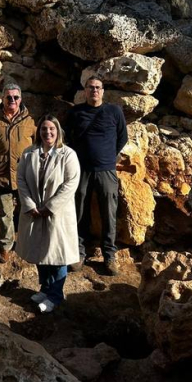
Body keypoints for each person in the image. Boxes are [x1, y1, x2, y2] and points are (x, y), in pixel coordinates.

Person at [15, 114, 81, 314]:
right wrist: (29, 204)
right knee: (40, 251)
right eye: (44, 129)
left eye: (51, 128)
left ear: (58, 131)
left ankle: (55, 295)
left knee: (58, 255)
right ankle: (45, 288)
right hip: (34, 212)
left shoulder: (68, 154)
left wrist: (50, 207)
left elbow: (71, 183)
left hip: (57, 214)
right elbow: (21, 179)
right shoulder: (29, 153)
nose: (47, 132)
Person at [66, 76, 128, 276]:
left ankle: (109, 255)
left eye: (98, 87)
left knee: (109, 212)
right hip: (81, 170)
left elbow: (122, 137)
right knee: (79, 211)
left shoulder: (114, 111)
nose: (94, 90)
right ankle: (79, 252)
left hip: (106, 170)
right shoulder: (75, 112)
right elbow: (67, 137)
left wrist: (108, 156)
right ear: (85, 90)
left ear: (103, 91)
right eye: (91, 87)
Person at [0, 82, 37, 263]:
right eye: (8, 97)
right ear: (2, 99)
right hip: (0, 174)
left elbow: (38, 145)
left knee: (28, 210)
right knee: (5, 213)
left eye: (15, 97)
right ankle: (5, 246)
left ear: (21, 99)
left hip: (24, 175)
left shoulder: (30, 120)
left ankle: (28, 241)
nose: (12, 100)